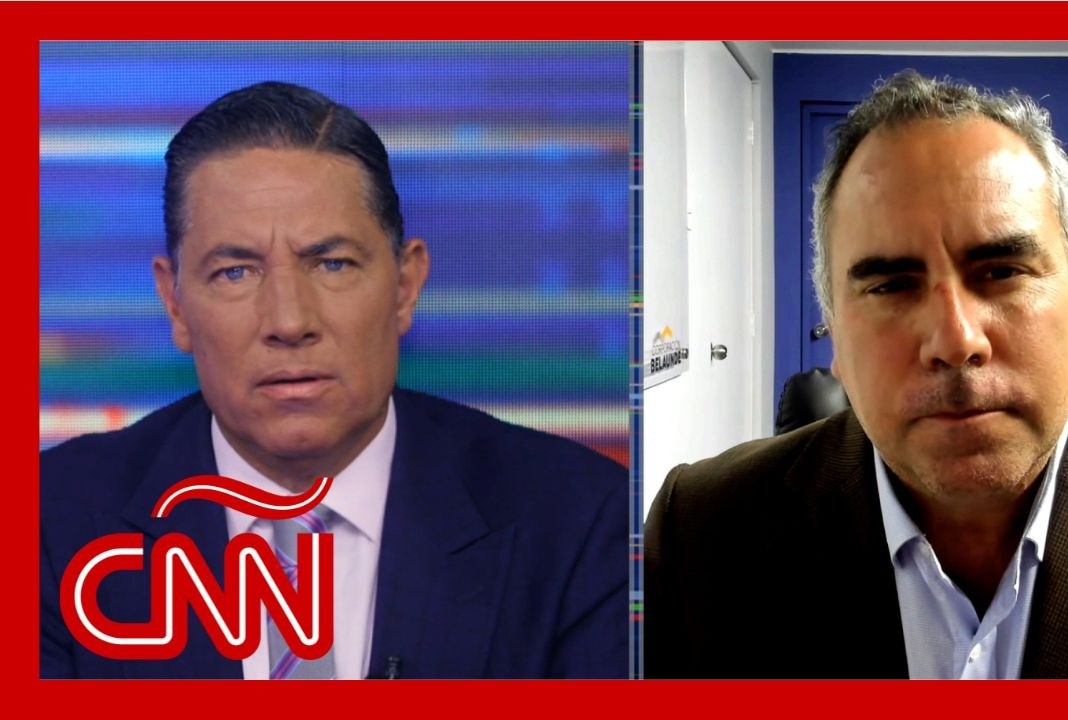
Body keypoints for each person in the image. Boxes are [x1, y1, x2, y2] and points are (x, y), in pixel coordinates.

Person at [644, 70, 1068, 679]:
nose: (956, 341)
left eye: (1001, 272)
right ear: (836, 334)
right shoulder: (699, 533)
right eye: (890, 285)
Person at [41, 81, 628, 679]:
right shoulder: (49, 526)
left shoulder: (577, 521)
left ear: (405, 286)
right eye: (235, 271)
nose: (289, 321)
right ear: (175, 303)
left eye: (332, 264)